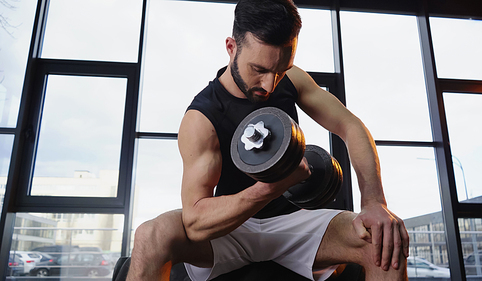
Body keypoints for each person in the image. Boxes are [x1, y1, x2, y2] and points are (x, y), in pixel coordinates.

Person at [127, 0, 409, 280]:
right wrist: (272, 187)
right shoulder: (202, 118)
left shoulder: (291, 80)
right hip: (230, 230)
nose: (269, 84)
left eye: (281, 70)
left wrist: (374, 201)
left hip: (294, 224)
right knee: (150, 235)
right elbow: (196, 221)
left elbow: (350, 125)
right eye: (259, 70)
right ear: (231, 47)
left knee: (383, 238)